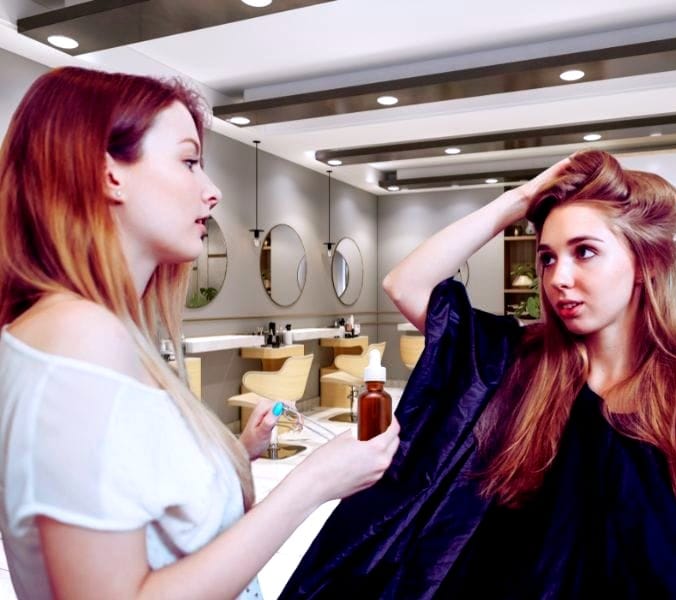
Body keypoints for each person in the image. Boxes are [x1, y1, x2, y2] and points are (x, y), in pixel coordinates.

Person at [280, 150, 676, 598]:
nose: (559, 278)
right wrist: (520, 199)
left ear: (643, 265)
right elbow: (405, 284)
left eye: (585, 252)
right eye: (548, 259)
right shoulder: (516, 362)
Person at [0, 66, 399, 600]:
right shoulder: (81, 334)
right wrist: (313, 483)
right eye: (189, 162)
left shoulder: (89, 330)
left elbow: (136, 498)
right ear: (109, 173)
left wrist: (235, 451)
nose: (212, 192)